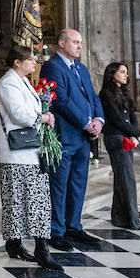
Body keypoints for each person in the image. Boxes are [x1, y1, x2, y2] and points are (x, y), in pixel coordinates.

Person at [0, 45, 62, 271]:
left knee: (36, 200)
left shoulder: (22, 81)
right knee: (19, 200)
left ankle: (23, 244)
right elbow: (19, 114)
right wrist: (43, 117)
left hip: (30, 151)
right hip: (16, 153)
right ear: (17, 62)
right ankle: (32, 247)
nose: (34, 63)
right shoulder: (8, 83)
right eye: (30, 59)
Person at [39, 29, 103, 250]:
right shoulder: (52, 67)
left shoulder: (81, 69)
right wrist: (86, 122)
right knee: (59, 185)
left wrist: (98, 120)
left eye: (81, 42)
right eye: (75, 42)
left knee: (78, 184)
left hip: (83, 137)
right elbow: (61, 101)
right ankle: (56, 231)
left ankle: (73, 227)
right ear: (62, 43)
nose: (79, 46)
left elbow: (93, 96)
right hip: (65, 136)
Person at [98, 61, 140, 230]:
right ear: (112, 74)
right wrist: (134, 133)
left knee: (122, 178)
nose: (126, 75)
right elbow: (116, 119)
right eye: (122, 72)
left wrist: (135, 132)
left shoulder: (123, 92)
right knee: (127, 179)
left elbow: (132, 115)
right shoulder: (106, 94)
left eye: (126, 72)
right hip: (115, 138)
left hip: (126, 136)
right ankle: (134, 220)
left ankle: (119, 217)